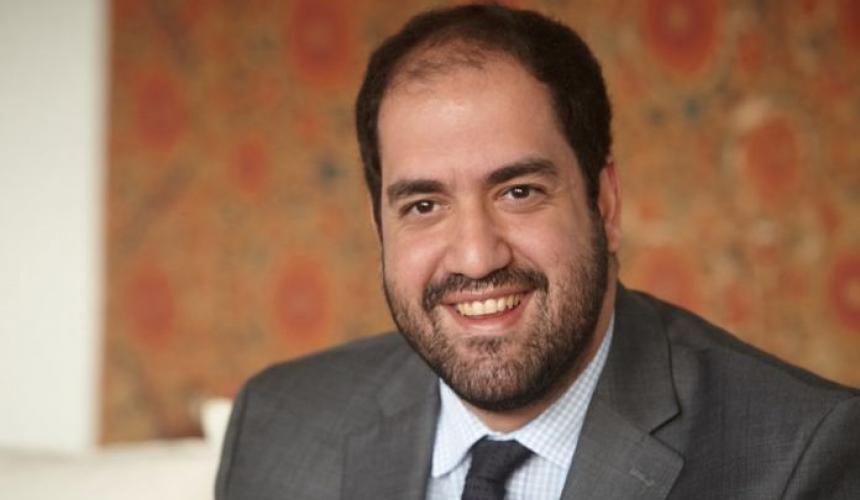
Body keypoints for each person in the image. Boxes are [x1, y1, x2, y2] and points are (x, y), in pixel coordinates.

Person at [215, 4, 860, 499]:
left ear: (604, 203)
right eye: (424, 205)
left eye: (519, 192)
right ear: (379, 225)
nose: (476, 258)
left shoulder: (800, 457)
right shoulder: (278, 425)